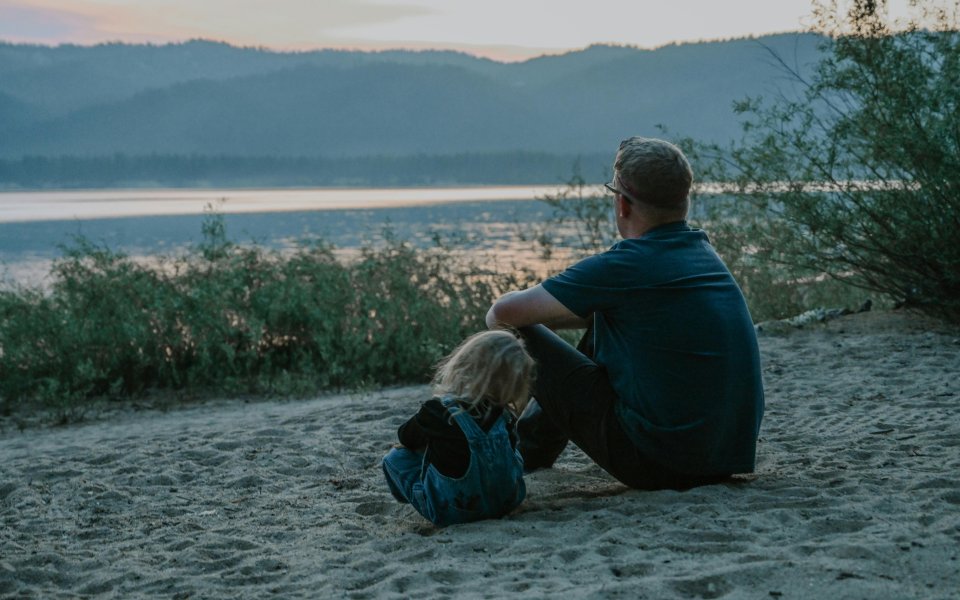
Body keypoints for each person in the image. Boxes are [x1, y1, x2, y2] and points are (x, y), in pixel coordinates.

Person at [485, 136, 764, 491]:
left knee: (520, 333)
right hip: (725, 456)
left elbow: (501, 314)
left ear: (622, 204)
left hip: (659, 463)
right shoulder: (704, 255)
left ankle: (523, 450)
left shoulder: (627, 266)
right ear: (685, 202)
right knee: (606, 316)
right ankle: (529, 449)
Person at [382, 330, 535, 526]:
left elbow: (405, 437)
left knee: (395, 457)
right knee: (511, 452)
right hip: (505, 503)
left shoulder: (438, 410)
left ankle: (412, 497)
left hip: (454, 512)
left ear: (464, 365)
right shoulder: (505, 415)